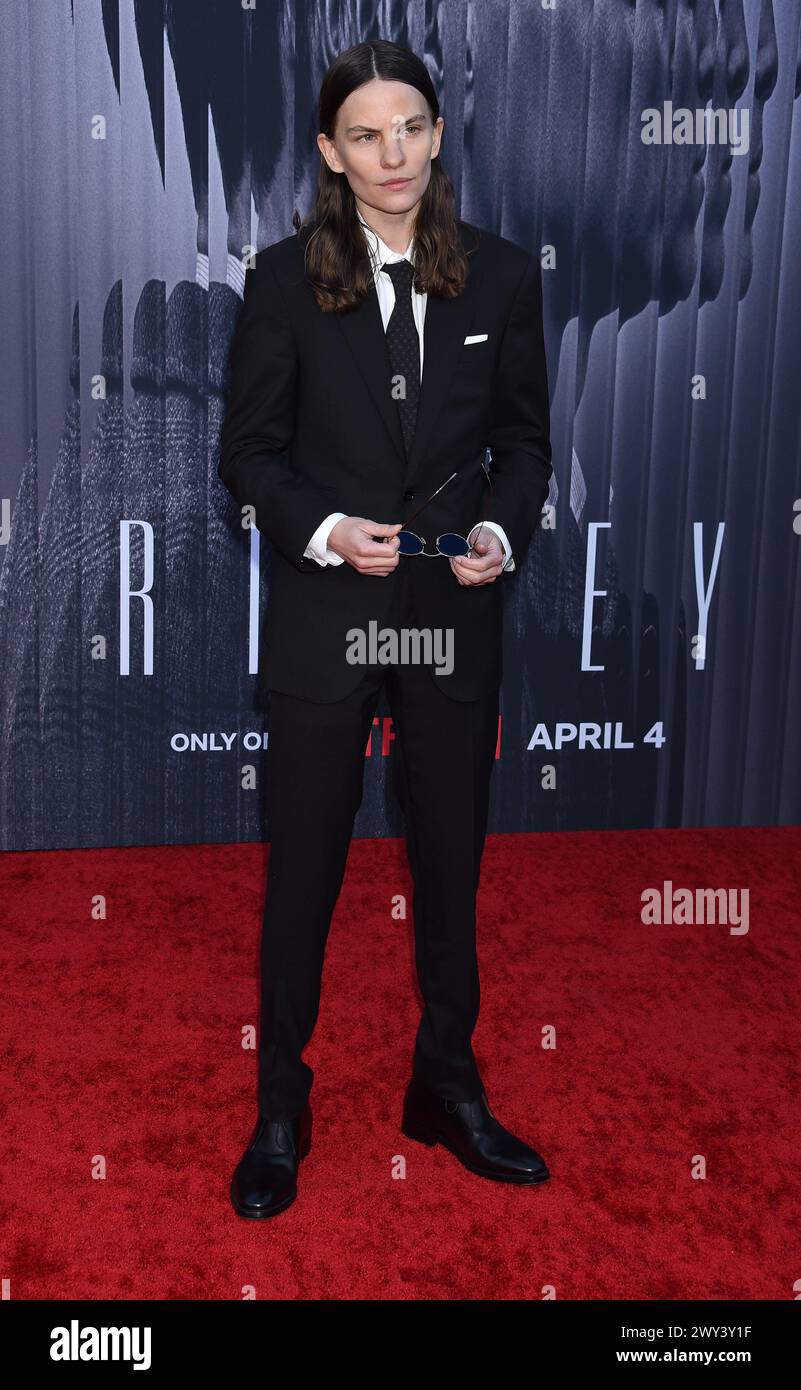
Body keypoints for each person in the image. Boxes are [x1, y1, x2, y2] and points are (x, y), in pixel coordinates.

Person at [219, 39, 553, 1220]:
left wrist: (503, 536)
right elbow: (248, 456)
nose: (392, 152)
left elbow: (526, 448)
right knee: (303, 868)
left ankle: (445, 1085)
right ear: (329, 152)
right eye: (364, 133)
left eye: (409, 125)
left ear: (439, 132)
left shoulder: (505, 279)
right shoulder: (280, 282)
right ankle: (279, 1106)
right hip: (330, 623)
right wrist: (321, 531)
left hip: (450, 622)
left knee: (451, 868)